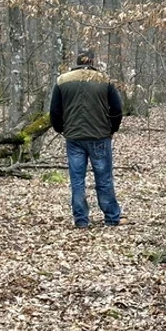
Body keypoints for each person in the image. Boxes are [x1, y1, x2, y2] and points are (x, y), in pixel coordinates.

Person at [50, 48, 124, 228]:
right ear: (92, 61)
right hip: (100, 136)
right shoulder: (104, 80)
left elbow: (54, 111)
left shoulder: (62, 81)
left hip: (74, 137)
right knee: (104, 179)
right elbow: (117, 110)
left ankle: (81, 220)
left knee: (77, 180)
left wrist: (61, 129)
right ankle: (111, 218)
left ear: (77, 60)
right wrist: (111, 129)